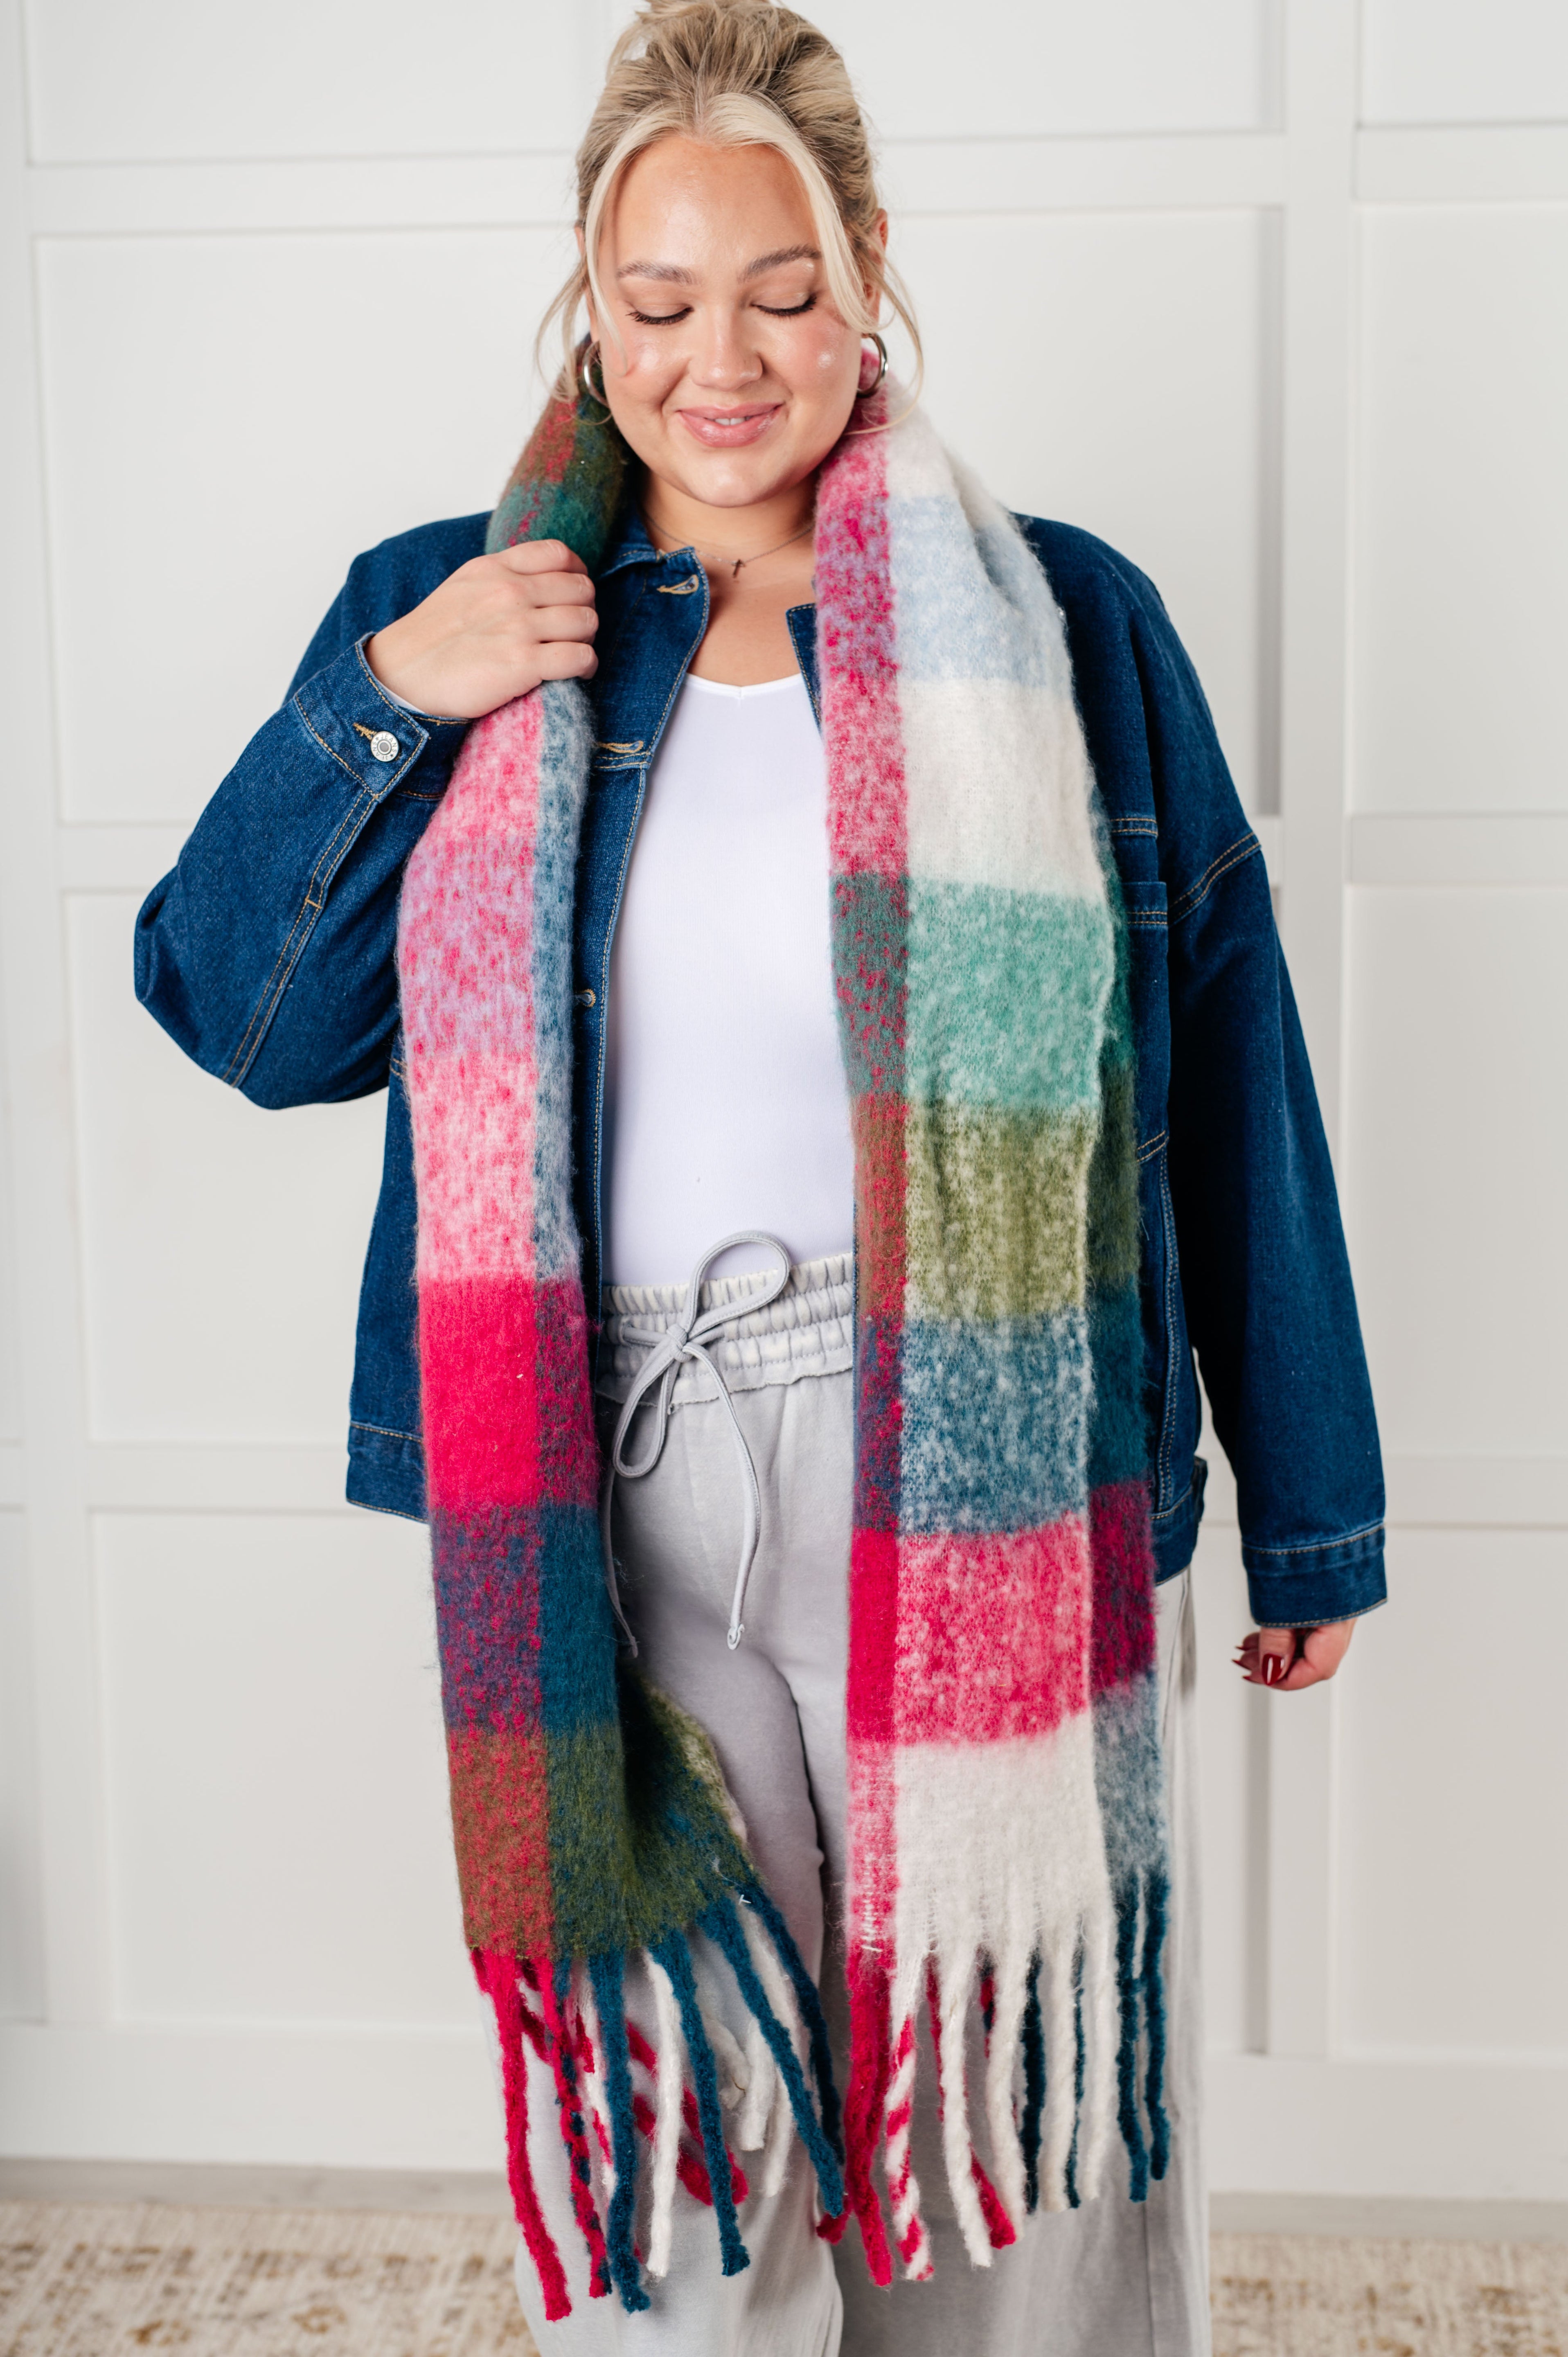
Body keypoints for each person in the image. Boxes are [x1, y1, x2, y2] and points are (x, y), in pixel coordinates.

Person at [134, 4, 1386, 2351]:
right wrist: (393, 691)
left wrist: (1309, 1498)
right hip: (600, 1475)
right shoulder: (455, 609)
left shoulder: (1065, 621)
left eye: (781, 290)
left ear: (868, 270)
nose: (721, 360)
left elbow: (1228, 1064)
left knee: (1000, 2130)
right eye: (661, 300)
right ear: (590, 307)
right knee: (689, 2185)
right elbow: (239, 1015)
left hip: (977, 1448)